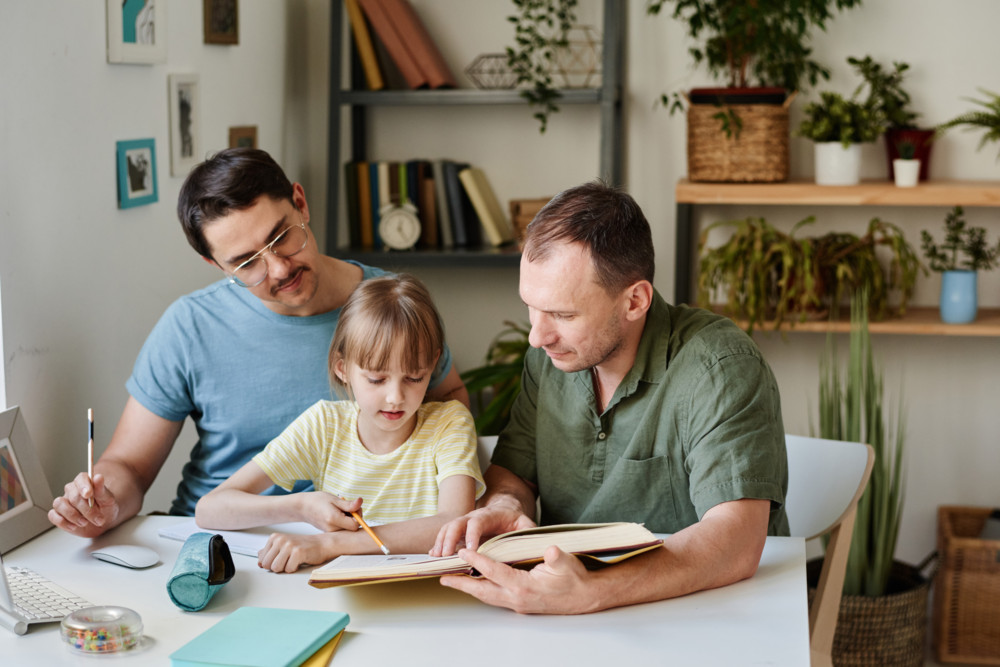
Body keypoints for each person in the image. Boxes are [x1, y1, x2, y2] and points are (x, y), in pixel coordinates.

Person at [48, 148, 468, 538]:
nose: (280, 269)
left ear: (301, 204)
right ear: (215, 265)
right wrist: (101, 505)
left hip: (362, 541)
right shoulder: (190, 326)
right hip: (221, 537)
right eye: (247, 263)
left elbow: (449, 404)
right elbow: (129, 467)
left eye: (282, 236)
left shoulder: (390, 305)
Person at [431, 180, 788, 614]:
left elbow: (737, 541)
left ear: (635, 300)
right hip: (564, 612)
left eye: (562, 314)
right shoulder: (549, 357)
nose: (536, 336)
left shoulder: (720, 367)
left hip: (706, 615)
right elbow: (516, 474)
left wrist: (593, 592)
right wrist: (505, 506)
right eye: (532, 306)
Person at [196, 274, 484, 573]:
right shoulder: (324, 426)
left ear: (434, 365)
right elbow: (210, 510)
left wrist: (328, 545)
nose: (396, 397)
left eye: (414, 377)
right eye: (376, 379)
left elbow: (454, 525)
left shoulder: (449, 423)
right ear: (343, 368)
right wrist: (300, 506)